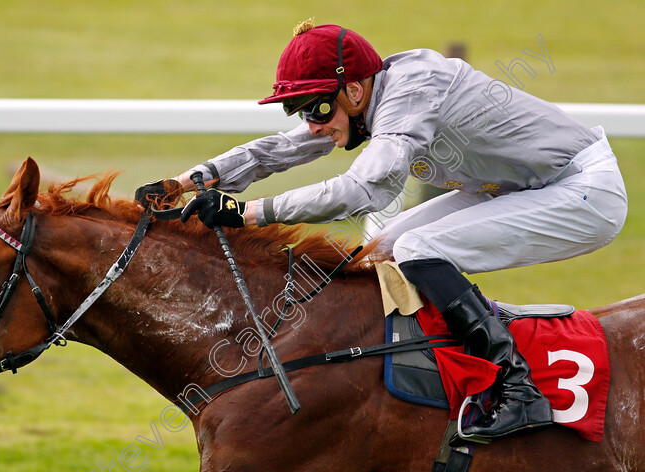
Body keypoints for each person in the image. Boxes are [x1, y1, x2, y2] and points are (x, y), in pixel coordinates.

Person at [135, 20, 627, 441]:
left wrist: (248, 213)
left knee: (416, 246)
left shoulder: (412, 95)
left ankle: (518, 388)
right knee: (381, 249)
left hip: (583, 190)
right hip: (514, 187)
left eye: (316, 109)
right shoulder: (369, 96)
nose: (311, 125)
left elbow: (360, 190)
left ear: (352, 91)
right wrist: (186, 181)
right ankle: (422, 380)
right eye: (300, 110)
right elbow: (281, 150)